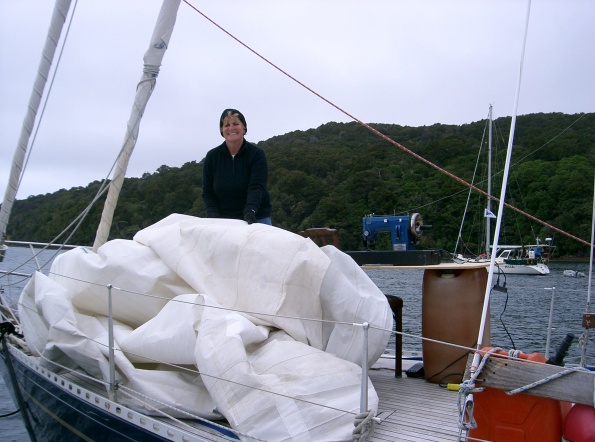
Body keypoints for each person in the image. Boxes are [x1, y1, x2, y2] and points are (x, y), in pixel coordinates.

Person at [202, 109, 272, 225]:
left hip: (256, 217)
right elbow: (207, 192)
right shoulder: (212, 157)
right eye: (227, 125)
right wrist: (212, 215)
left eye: (236, 124)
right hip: (224, 220)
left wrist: (250, 211)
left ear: (244, 129)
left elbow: (257, 187)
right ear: (221, 130)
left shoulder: (257, 154)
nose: (231, 128)